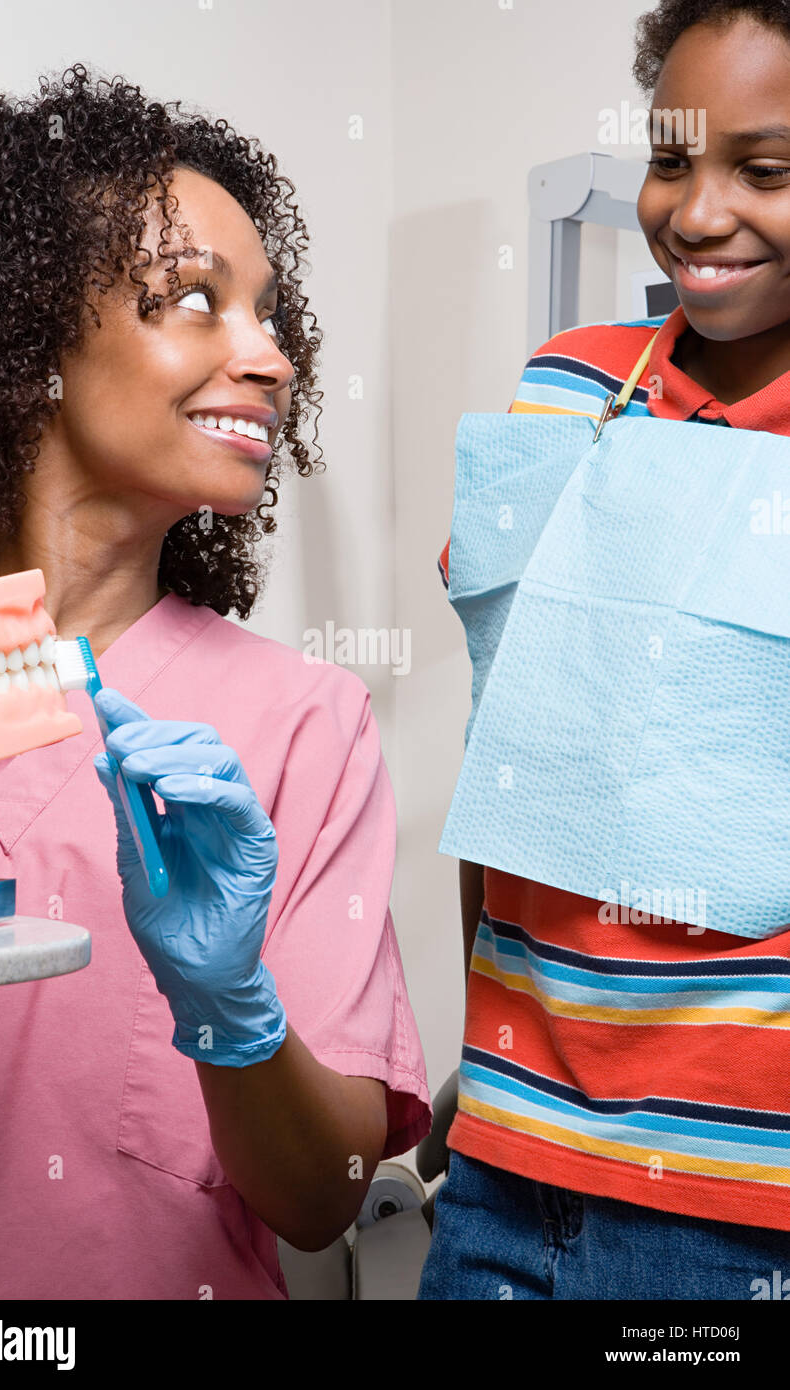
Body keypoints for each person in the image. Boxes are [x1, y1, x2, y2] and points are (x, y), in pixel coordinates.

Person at [0, 63, 431, 1301]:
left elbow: (324, 1196)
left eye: (267, 312)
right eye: (193, 301)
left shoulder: (304, 723)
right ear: (25, 326)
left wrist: (232, 1013)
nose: (266, 355)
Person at [419, 0, 790, 1300]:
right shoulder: (566, 387)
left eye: (765, 170)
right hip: (504, 1157)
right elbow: (507, 750)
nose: (694, 212)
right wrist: (474, 1064)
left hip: (737, 1199)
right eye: (670, 157)